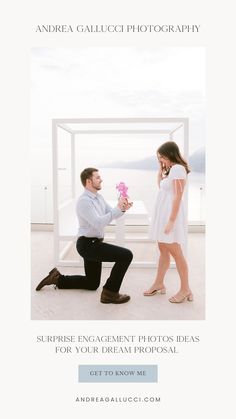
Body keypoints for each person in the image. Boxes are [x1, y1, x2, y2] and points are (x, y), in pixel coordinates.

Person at [36, 167, 133, 304]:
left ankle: (57, 279)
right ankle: (110, 293)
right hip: (88, 245)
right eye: (97, 177)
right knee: (126, 255)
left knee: (92, 283)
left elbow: (111, 213)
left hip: (94, 243)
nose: (101, 179)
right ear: (88, 181)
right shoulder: (84, 202)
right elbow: (98, 223)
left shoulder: (98, 197)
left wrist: (122, 208)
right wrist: (117, 209)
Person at [144, 141, 193, 303]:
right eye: (159, 158)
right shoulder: (171, 170)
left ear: (170, 154)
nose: (161, 160)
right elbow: (162, 187)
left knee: (176, 252)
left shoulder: (178, 169)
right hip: (163, 214)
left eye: (162, 157)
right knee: (163, 249)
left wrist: (171, 221)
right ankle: (159, 283)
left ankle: (185, 289)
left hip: (170, 216)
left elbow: (178, 196)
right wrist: (160, 170)